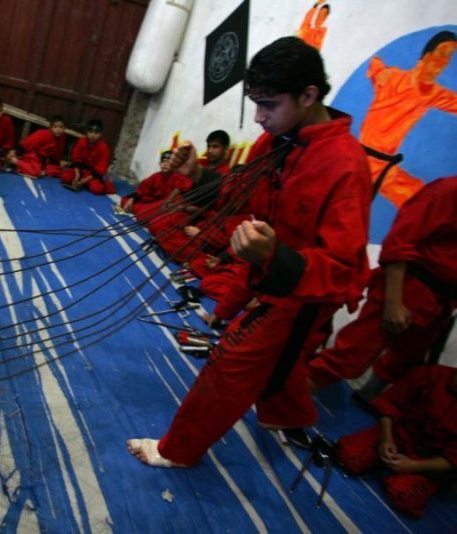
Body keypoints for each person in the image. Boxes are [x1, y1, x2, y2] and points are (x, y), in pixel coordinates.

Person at [127, 36, 372, 467]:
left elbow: (342, 267)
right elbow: (238, 193)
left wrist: (273, 257)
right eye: (254, 103)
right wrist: (199, 174)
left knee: (230, 362)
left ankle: (177, 452)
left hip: (303, 294)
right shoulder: (275, 142)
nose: (258, 118)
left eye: (269, 105)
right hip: (263, 269)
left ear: (308, 95)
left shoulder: (345, 165)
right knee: (274, 359)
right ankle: (287, 413)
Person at [308, 176, 457, 399]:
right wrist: (393, 301)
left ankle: (367, 399)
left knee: (406, 358)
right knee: (352, 354)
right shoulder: (449, 190)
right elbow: (401, 241)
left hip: (442, 300)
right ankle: (285, 407)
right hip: (411, 288)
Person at [336, 365, 457, 518]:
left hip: (428, 458)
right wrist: (386, 439)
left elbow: (453, 459)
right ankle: (384, 460)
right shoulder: (430, 374)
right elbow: (390, 404)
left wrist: (414, 466)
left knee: (404, 497)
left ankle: (400, 474)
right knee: (350, 457)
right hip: (398, 434)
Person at [360, 30, 457, 208]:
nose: (445, 63)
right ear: (427, 55)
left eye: (449, 57)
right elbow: (375, 66)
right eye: (442, 54)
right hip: (367, 162)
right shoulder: (391, 77)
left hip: (385, 167)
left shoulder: (434, 94)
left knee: (426, 202)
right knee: (424, 205)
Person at [120, 150, 188, 222]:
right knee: (125, 200)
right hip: (153, 201)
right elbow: (143, 189)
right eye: (163, 161)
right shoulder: (156, 176)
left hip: (166, 204)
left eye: (168, 162)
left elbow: (180, 193)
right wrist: (132, 199)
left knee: (142, 215)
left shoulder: (178, 177)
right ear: (159, 163)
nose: (165, 164)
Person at [59, 119, 114, 194]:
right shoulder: (81, 141)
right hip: (80, 169)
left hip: (92, 173)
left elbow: (101, 167)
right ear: (86, 132)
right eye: (90, 132)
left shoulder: (104, 147)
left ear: (101, 134)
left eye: (96, 133)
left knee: (97, 189)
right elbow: (75, 158)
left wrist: (86, 180)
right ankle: (81, 181)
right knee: (64, 177)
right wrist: (77, 175)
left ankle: (102, 183)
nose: (92, 135)